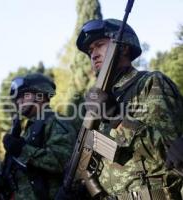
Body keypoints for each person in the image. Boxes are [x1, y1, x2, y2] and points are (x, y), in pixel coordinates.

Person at [67, 18, 183, 199]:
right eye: (90, 51)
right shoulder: (99, 105)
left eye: (99, 45)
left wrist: (117, 117)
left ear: (123, 47)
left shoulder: (150, 83)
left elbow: (171, 155)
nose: (93, 54)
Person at [2, 73, 77, 199]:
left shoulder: (55, 121)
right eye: (17, 98)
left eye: (24, 96)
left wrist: (22, 149)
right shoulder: (28, 130)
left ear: (40, 96)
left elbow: (62, 161)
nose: (19, 101)